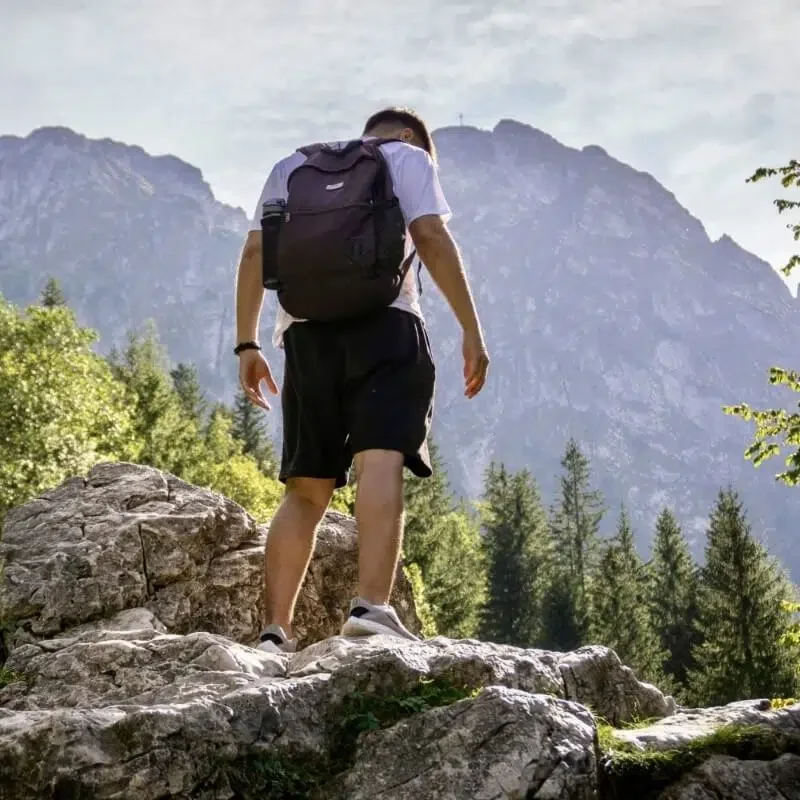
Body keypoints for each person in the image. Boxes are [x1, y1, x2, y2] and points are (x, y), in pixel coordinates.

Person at [234, 107, 489, 653]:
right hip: (387, 325)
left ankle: (274, 634)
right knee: (380, 459)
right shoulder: (407, 156)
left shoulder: (291, 166)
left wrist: (248, 344)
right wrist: (471, 329)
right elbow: (430, 235)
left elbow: (256, 251)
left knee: (305, 490)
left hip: (305, 338)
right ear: (405, 136)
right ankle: (371, 608)